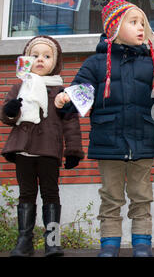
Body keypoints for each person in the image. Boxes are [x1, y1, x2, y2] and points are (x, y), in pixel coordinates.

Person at [54, 0, 154, 257]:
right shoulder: (95, 63)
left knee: (142, 196)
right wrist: (66, 100)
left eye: (142, 23)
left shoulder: (152, 64)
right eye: (133, 22)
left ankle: (142, 244)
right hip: (108, 142)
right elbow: (81, 94)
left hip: (144, 141)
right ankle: (109, 245)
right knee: (111, 198)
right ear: (114, 27)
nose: (140, 28)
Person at [1, 35, 84, 257]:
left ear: (55, 62)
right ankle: (24, 242)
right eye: (35, 55)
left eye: (46, 56)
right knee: (26, 194)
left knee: (50, 194)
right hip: (23, 151)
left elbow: (71, 123)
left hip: (49, 151)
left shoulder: (61, 92)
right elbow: (7, 116)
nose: (40, 60)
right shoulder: (19, 87)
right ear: (26, 60)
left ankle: (52, 242)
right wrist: (10, 110)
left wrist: (73, 150)